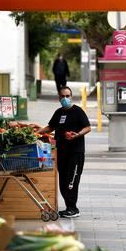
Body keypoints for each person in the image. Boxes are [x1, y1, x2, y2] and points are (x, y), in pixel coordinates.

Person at [37, 86, 91, 218]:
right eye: (63, 96)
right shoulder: (59, 112)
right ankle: (68, 207)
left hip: (75, 153)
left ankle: (73, 208)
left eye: (68, 96)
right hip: (61, 152)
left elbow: (88, 127)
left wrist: (77, 134)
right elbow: (50, 127)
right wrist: (37, 132)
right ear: (59, 98)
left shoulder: (78, 111)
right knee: (62, 182)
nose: (65, 98)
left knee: (71, 181)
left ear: (71, 97)